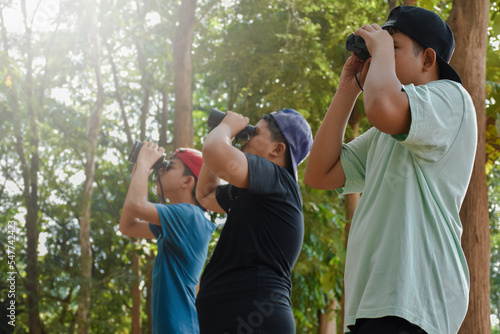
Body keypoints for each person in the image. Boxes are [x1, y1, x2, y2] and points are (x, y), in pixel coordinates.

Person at [304, 6, 476, 334]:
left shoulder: (452, 99)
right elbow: (319, 174)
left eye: (392, 46)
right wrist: (347, 88)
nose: (377, 54)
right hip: (373, 302)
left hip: (416, 298)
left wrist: (379, 50)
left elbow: (382, 106)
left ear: (427, 59)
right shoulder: (387, 132)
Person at [195, 109, 313, 333]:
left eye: (254, 134)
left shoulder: (277, 179)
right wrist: (221, 133)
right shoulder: (258, 190)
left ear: (277, 149)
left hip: (254, 318)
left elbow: (214, 151)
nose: (246, 137)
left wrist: (227, 127)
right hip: (235, 317)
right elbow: (206, 195)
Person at [119, 142, 215, 334]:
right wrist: (140, 172)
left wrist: (145, 165)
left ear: (188, 181)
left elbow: (137, 206)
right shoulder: (178, 220)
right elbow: (128, 226)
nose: (160, 171)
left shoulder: (189, 215)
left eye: (169, 166)